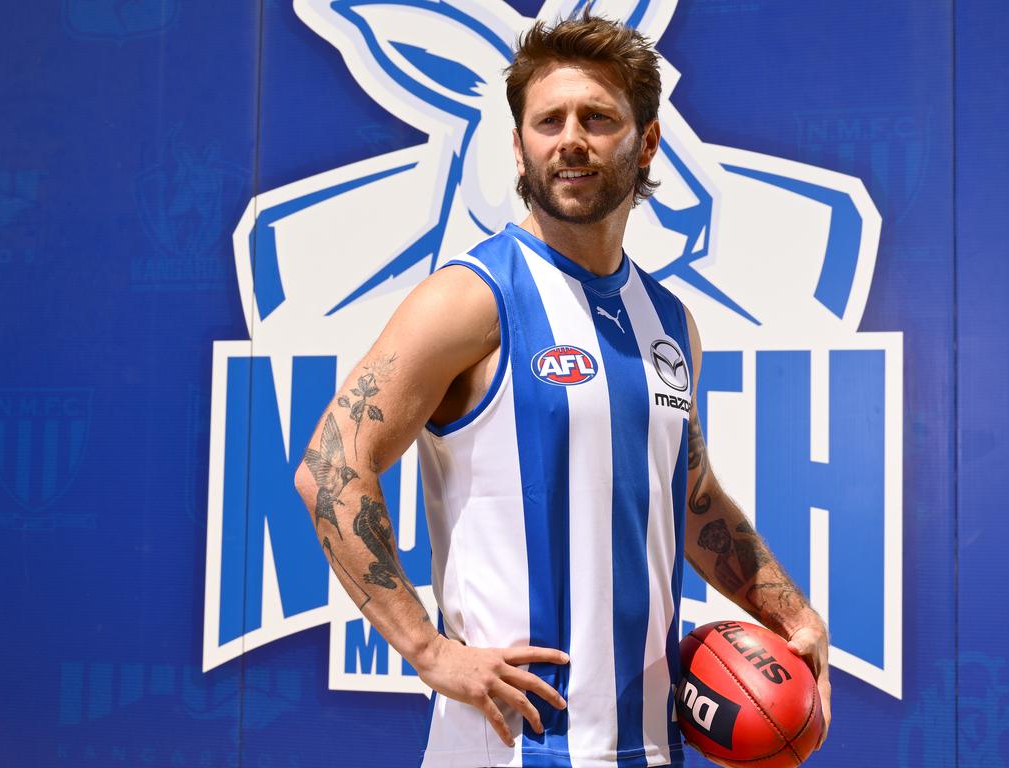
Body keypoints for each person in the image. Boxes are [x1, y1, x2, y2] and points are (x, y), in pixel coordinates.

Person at [294, 11, 831, 768]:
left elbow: (692, 494)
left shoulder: (671, 323)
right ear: (519, 146)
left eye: (598, 118)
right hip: (509, 748)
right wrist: (426, 649)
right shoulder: (471, 299)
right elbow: (330, 467)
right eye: (548, 120)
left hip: (648, 745)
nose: (570, 138)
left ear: (645, 142)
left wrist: (793, 614)